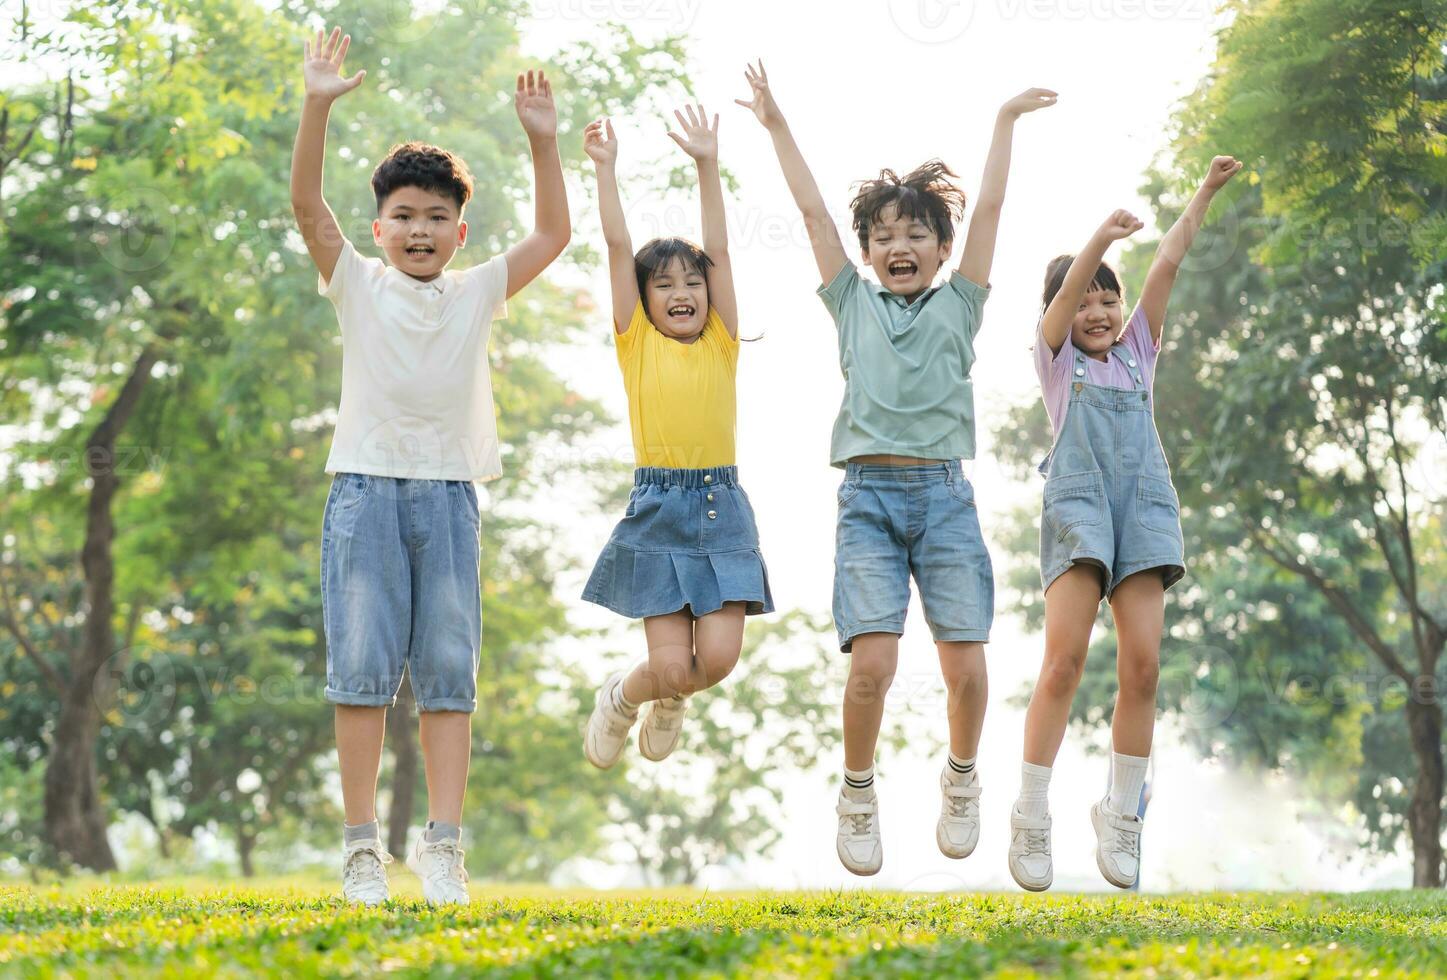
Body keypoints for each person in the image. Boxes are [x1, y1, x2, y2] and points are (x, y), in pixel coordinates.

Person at [738, 58, 1056, 876]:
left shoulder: (962, 301)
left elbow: (987, 205)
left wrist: (1004, 120)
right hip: (869, 500)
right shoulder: (851, 300)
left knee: (969, 672)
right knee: (871, 668)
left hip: (945, 497)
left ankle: (959, 779)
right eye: (884, 237)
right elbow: (811, 213)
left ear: (943, 250)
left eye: (916, 234)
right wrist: (774, 123)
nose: (899, 245)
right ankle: (856, 793)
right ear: (869, 253)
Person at [290, 26, 571, 905]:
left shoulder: (478, 289)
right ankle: (362, 850)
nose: (420, 229)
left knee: (449, 675)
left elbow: (555, 234)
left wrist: (541, 140)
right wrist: (316, 104)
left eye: (435, 217)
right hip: (365, 491)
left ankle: (444, 848)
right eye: (404, 217)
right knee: (363, 673)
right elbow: (306, 205)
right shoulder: (357, 284)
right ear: (380, 229)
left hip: (449, 497)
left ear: (458, 230)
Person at [1008, 156, 1243, 892]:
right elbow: (1063, 301)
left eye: (1106, 299)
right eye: (1085, 301)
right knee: (1064, 663)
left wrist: (1202, 193)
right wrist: (1095, 243)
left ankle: (1120, 812)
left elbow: (1168, 260)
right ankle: (1032, 810)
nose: (1098, 311)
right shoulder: (1054, 361)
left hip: (1142, 507)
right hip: (1078, 508)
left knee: (1142, 667)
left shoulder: (1139, 349)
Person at [580, 105, 773, 771]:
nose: (681, 291)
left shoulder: (721, 341)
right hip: (659, 509)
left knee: (712, 662)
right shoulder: (636, 344)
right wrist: (604, 169)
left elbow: (718, 251)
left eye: (690, 283)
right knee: (668, 668)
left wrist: (706, 164)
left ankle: (669, 696)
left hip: (721, 508)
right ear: (645, 300)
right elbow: (613, 246)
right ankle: (625, 695)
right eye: (663, 285)